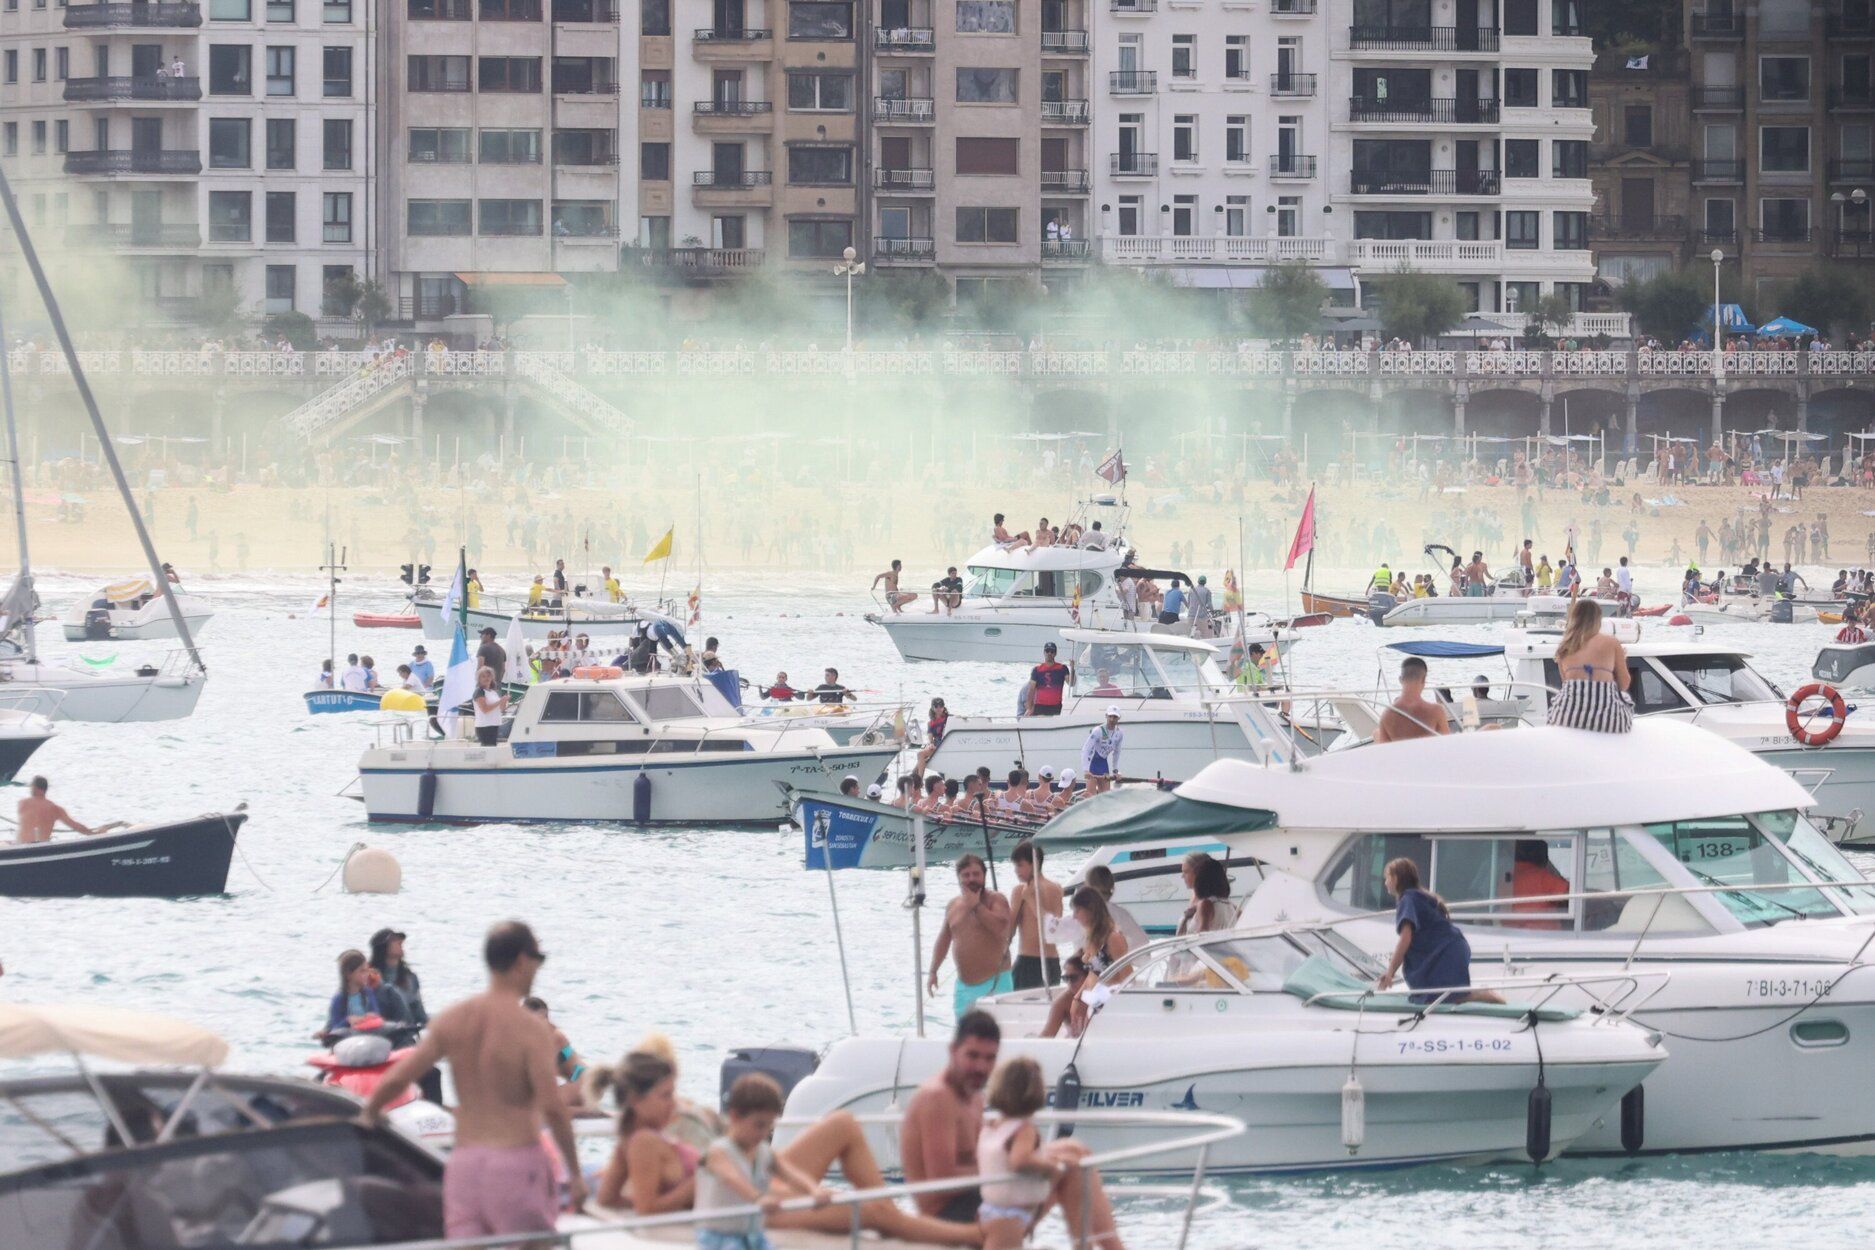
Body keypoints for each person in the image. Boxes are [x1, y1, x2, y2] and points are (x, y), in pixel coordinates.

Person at [592, 1049, 973, 1243]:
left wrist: (604, 1185)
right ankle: (968, 1237)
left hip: (755, 1180)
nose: (673, 1102)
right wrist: (698, 1180)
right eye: (664, 1095)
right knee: (868, 1214)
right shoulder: (642, 1142)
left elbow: (611, 1196)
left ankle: (897, 1220)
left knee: (841, 1124)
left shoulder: (641, 1139)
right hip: (748, 1207)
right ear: (636, 1101)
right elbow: (648, 1210)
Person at [362, 922, 586, 1238]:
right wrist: (575, 1174)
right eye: (538, 959)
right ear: (523, 961)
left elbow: (398, 1078)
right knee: (536, 1245)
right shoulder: (531, 1029)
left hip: (465, 1167)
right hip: (515, 1164)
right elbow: (552, 1107)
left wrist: (367, 1116)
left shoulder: (456, 1017)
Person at [901, 1012, 1123, 1249]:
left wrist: (1031, 1158)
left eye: (990, 1058)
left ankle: (1110, 1246)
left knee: (1075, 1151)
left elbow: (981, 1155)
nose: (981, 1067)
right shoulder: (938, 1098)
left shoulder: (972, 1095)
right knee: (1072, 1169)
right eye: (972, 1056)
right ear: (953, 1050)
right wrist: (1028, 1163)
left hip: (978, 1198)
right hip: (950, 1215)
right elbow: (941, 1179)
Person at [695, 1074, 834, 1250]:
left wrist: (813, 1189)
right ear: (735, 1116)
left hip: (752, 1234)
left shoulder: (764, 1152)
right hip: (718, 1236)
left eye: (769, 1126)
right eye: (759, 1125)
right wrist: (758, 1198)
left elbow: (790, 1173)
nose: (764, 1133)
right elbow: (732, 1177)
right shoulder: (718, 1152)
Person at [976, 1057, 1090, 1250]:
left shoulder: (992, 1125)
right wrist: (1052, 1167)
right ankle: (1083, 1244)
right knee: (1074, 1168)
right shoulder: (1023, 1129)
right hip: (1012, 1216)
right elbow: (1019, 1161)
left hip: (990, 1210)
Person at [1376, 858, 1503, 1005]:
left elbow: (1405, 939)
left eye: (1387, 878)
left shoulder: (1408, 899)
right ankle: (1485, 994)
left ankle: (1485, 994)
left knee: (1440, 998)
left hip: (1446, 953)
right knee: (1441, 997)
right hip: (1452, 948)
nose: (1385, 883)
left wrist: (1390, 971)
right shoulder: (1419, 896)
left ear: (1396, 878)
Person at [928, 853, 1014, 1016]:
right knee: (965, 1038)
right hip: (964, 987)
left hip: (995, 983)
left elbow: (1001, 928)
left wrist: (976, 906)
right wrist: (933, 971)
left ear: (984, 876)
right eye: (966, 875)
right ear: (959, 878)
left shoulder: (996, 900)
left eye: (976, 874)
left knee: (998, 1036)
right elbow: (944, 940)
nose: (971, 879)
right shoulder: (953, 905)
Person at [1550, 598, 1632, 732]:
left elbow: (1568, 686)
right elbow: (1624, 684)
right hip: (1608, 718)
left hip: (1567, 716)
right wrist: (1621, 660)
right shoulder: (1611, 642)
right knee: (1626, 699)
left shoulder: (1563, 648)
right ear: (1598, 620)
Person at [1006, 840, 1062, 990]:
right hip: (1052, 961)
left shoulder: (1021, 891)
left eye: (1020, 865)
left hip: (1028, 961)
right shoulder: (1056, 888)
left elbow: (1009, 931)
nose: (1016, 870)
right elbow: (1055, 927)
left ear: (1034, 863)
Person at [323, 948, 411, 1042]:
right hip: (349, 1039)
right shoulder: (339, 998)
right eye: (362, 971)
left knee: (396, 1028)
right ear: (348, 974)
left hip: (368, 1035)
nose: (367, 974)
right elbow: (334, 1028)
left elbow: (376, 1013)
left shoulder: (368, 993)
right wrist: (348, 1021)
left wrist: (371, 1016)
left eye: (367, 970)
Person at [521, 997, 588, 1107]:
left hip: (581, 1078)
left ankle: (594, 1113)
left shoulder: (555, 1037)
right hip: (574, 1081)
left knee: (544, 1108)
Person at [16, 776, 121, 844]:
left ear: (36, 788)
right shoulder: (55, 809)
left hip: (21, 847)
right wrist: (94, 834)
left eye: (32, 787)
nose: (30, 789)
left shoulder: (22, 804)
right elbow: (76, 826)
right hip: (41, 846)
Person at [1372, 657, 1449, 743]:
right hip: (1427, 755)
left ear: (1400, 679)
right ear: (1423, 680)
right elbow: (1447, 746)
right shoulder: (1436, 711)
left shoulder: (1387, 715)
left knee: (1376, 733)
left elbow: (1385, 751)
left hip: (1401, 756)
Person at [1081, 864, 1149, 952]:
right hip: (1135, 959)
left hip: (1119, 961)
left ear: (1088, 887)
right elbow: (1142, 942)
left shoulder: (1088, 914)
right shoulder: (1122, 913)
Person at [1507, 840, 1570, 930]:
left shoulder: (1505, 876)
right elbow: (1571, 897)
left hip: (1510, 932)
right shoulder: (1542, 877)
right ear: (1540, 855)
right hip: (1544, 935)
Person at [1081, 707, 1123, 793]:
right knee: (1090, 797)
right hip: (1092, 764)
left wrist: (1115, 771)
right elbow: (1086, 749)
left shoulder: (1119, 733)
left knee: (1105, 796)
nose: (1112, 719)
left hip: (1103, 764)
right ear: (1106, 716)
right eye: (1110, 716)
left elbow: (1117, 753)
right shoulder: (1098, 730)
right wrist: (1086, 769)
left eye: (1115, 717)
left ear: (1118, 718)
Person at [1022, 642, 1069, 717]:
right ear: (1044, 652)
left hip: (1056, 707)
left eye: (1052, 651)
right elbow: (1031, 690)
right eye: (1047, 651)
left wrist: (1073, 669)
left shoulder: (1062, 668)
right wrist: (1029, 708)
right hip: (1040, 707)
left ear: (1055, 653)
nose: (1049, 653)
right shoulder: (1037, 670)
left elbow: (1071, 683)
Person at [472, 666, 507, 746]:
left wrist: (504, 701)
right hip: (484, 726)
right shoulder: (479, 692)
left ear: (492, 678)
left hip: (494, 724)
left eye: (488, 676)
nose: (486, 678)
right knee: (487, 748)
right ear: (479, 679)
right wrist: (500, 701)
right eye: (483, 676)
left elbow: (501, 709)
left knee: (493, 748)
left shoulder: (493, 692)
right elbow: (485, 709)